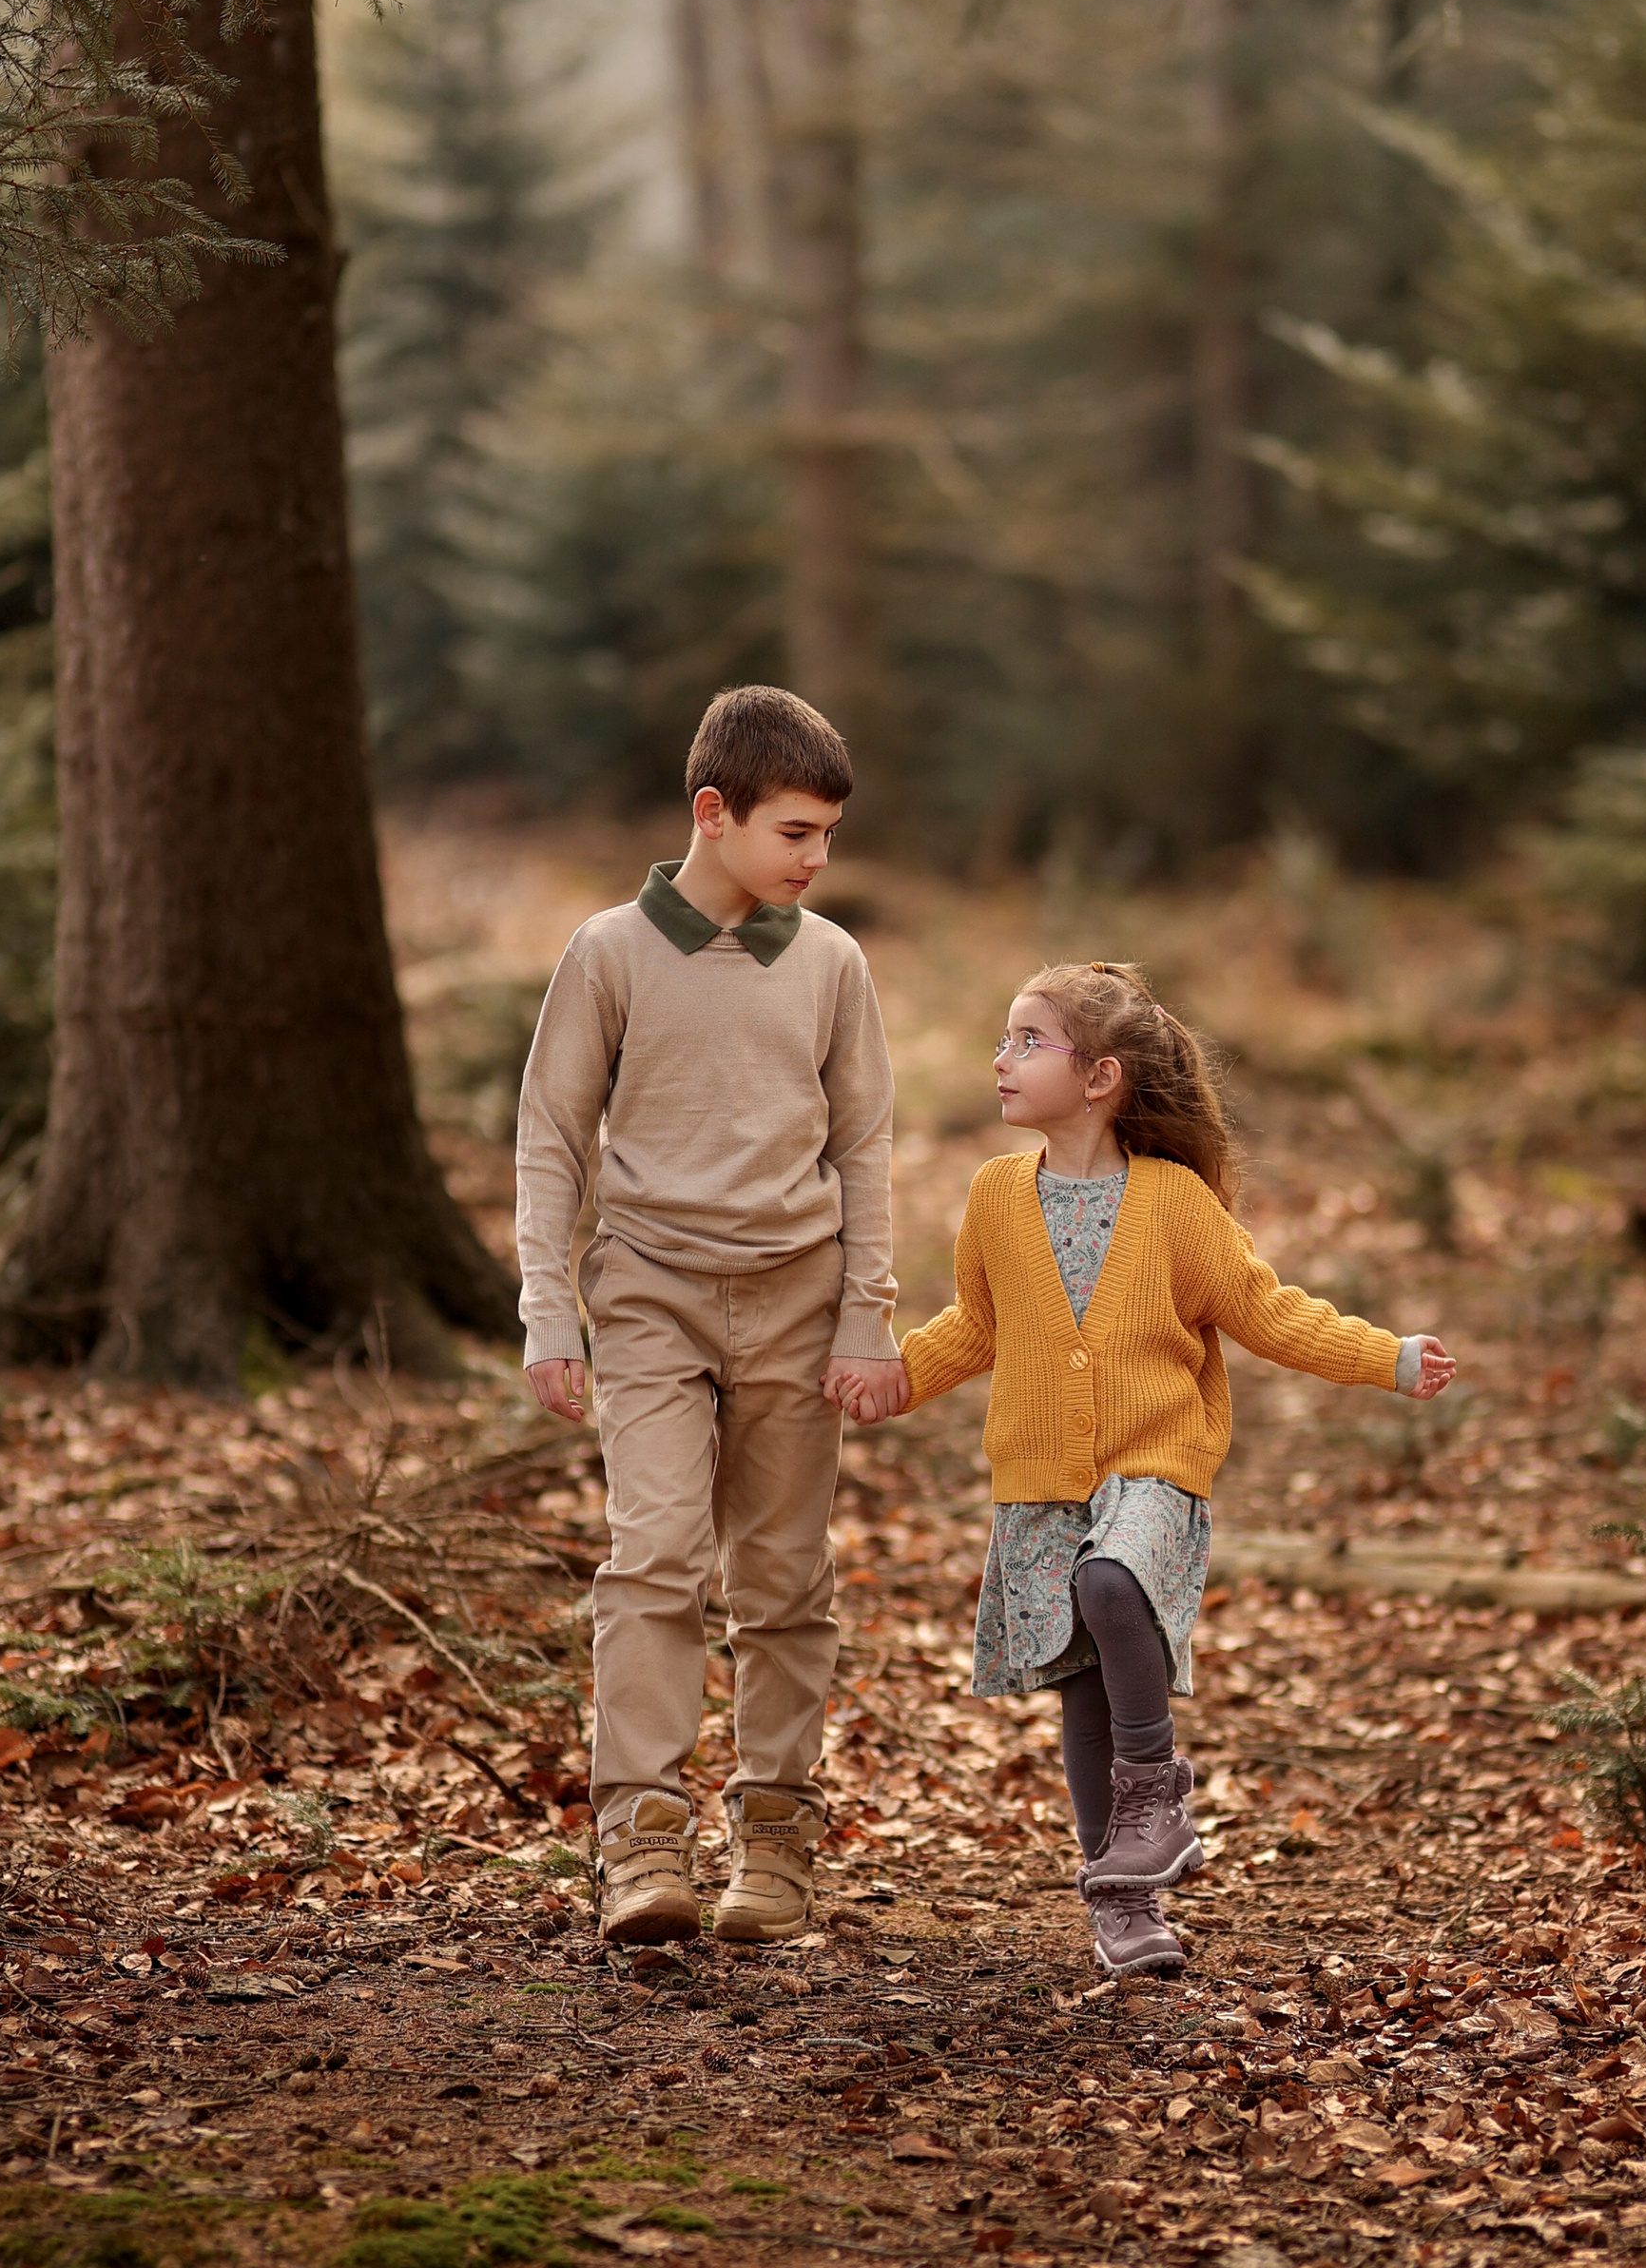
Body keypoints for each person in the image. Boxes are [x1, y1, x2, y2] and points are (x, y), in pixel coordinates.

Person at [834, 960, 1456, 1980]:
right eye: (1004, 1038)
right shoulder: (995, 1195)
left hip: (1155, 1463)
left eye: (1027, 1040)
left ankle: (1156, 1789)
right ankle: (1122, 1904)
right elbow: (976, 1326)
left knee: (1111, 1578)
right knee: (1082, 1687)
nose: (1001, 1057)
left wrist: (1384, 1355)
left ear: (1099, 1077)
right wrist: (897, 1381)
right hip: (1040, 1479)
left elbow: (1268, 1310)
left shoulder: (1172, 1202)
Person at [514, 685, 900, 1948]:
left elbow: (870, 1154)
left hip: (798, 1301)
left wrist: (863, 1318)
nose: (818, 857)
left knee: (785, 1581)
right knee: (654, 1557)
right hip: (651, 1298)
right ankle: (640, 1844)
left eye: (829, 834)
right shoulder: (610, 952)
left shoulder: (833, 963)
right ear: (713, 813)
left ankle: (776, 1845)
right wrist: (548, 1310)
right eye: (797, 831)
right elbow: (552, 1139)